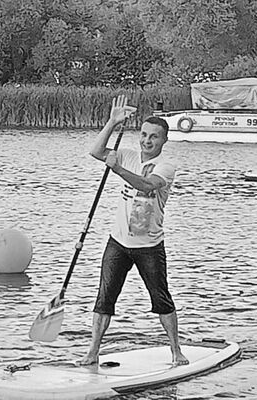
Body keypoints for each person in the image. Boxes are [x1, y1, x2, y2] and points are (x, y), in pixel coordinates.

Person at [80, 94, 189, 367]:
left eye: (154, 137)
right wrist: (112, 123)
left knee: (161, 299)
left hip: (149, 246)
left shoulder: (166, 167)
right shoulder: (127, 155)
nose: (147, 141)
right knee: (104, 299)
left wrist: (116, 169)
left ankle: (176, 351)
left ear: (164, 140)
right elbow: (96, 152)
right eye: (143, 134)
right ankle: (93, 352)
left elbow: (147, 185)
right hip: (118, 242)